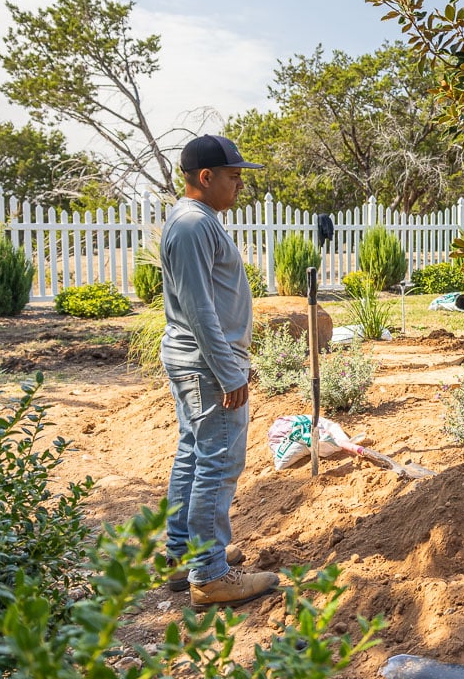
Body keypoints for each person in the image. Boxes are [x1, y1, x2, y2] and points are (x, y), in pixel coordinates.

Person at [160, 134, 279, 608]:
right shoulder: (192, 225)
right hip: (208, 364)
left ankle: (183, 555)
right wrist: (230, 370)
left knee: (193, 454)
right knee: (218, 461)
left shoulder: (195, 220)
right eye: (233, 177)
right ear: (205, 177)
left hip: (197, 361)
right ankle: (209, 574)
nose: (239, 186)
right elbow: (199, 309)